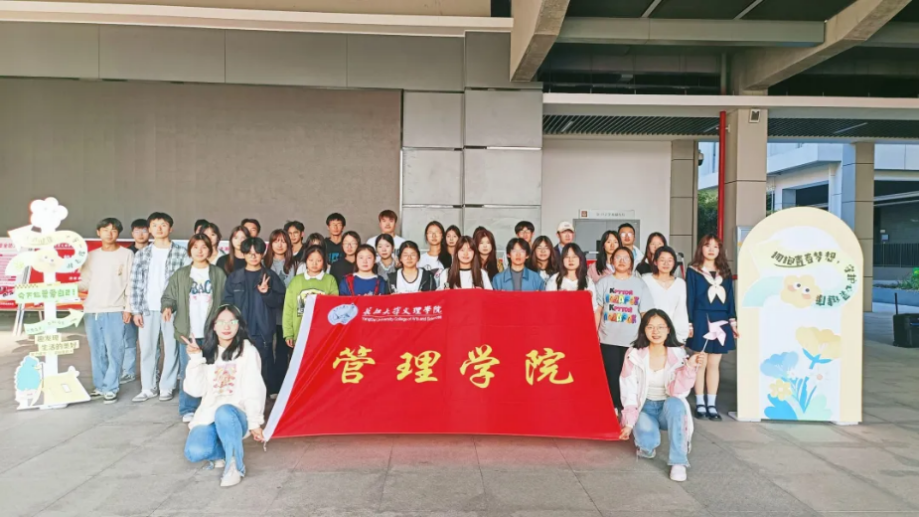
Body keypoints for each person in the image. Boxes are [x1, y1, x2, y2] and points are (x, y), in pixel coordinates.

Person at [182, 304, 266, 488]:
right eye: (221, 322)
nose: (226, 327)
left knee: (224, 411)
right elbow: (195, 391)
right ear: (214, 325)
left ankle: (235, 466)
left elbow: (254, 387)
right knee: (194, 452)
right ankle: (222, 452)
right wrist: (195, 359)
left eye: (232, 322)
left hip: (235, 415)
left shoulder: (247, 351)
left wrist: (254, 422)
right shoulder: (207, 352)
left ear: (239, 325)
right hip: (209, 416)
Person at [619, 309, 703, 483]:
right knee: (647, 447)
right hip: (644, 407)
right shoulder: (633, 355)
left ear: (668, 329)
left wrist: (689, 367)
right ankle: (646, 443)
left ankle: (678, 462)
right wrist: (628, 424)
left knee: (676, 404)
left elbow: (679, 391)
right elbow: (629, 390)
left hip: (667, 408)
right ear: (643, 330)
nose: (655, 331)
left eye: (660, 327)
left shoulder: (679, 355)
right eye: (650, 327)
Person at [161, 234, 227, 422]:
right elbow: (169, 296)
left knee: (213, 369)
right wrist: (167, 307)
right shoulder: (181, 274)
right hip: (187, 333)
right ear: (189, 250)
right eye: (195, 247)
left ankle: (210, 405)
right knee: (189, 371)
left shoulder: (218, 274)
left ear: (210, 250)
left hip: (212, 332)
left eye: (204, 247)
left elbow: (226, 299)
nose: (199, 251)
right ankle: (188, 408)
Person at [129, 212, 191, 403]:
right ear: (150, 229)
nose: (159, 228)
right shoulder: (142, 254)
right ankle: (148, 387)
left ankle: (167, 386)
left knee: (171, 348)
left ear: (170, 228)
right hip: (148, 308)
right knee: (147, 349)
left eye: (163, 224)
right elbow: (135, 283)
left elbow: (185, 283)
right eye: (155, 225)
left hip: (172, 310)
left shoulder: (181, 253)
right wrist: (136, 310)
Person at [79, 217, 134, 404]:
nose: (109, 234)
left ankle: (111, 387)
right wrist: (63, 282)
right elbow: (85, 283)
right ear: (98, 232)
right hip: (92, 310)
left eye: (113, 230)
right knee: (97, 351)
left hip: (115, 309)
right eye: (105, 230)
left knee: (114, 351)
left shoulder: (126, 254)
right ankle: (100, 386)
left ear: (118, 233)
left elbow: (130, 284)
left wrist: (128, 309)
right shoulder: (91, 256)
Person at [593, 247, 654, 411]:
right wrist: (594, 333)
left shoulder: (639, 284)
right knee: (611, 374)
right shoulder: (603, 282)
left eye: (626, 258)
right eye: (618, 257)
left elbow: (645, 313)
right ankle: (612, 408)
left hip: (632, 339)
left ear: (631, 262)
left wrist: (646, 337)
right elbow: (598, 310)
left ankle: (627, 408)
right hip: (608, 338)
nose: (621, 261)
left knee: (629, 376)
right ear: (612, 261)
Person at [686, 235, 739, 421]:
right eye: (707, 245)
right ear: (701, 248)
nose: (711, 249)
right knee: (700, 363)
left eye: (715, 246)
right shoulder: (693, 271)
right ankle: (700, 402)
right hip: (701, 318)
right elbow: (690, 298)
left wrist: (733, 322)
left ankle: (711, 403)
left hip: (721, 319)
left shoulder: (725, 271)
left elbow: (730, 299)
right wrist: (690, 323)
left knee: (714, 364)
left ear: (720, 250)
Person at [222, 238, 286, 392]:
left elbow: (280, 301)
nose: (253, 256)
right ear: (243, 254)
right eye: (249, 253)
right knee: (239, 366)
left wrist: (266, 293)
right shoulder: (234, 278)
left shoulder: (269, 276)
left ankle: (264, 398)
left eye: (257, 252)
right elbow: (226, 304)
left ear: (263, 254)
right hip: (239, 331)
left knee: (263, 369)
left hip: (263, 331)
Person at [283, 245, 339, 348]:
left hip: (323, 334)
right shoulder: (296, 281)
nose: (314, 264)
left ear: (324, 261)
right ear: (306, 261)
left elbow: (334, 307)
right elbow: (288, 309)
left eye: (319, 260)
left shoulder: (330, 280)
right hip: (299, 333)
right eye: (311, 260)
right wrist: (288, 333)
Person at [642, 246, 689, 344]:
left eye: (670, 260)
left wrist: (681, 336)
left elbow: (681, 311)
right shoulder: (645, 280)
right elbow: (641, 308)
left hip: (672, 333)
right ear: (655, 262)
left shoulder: (681, 284)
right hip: (650, 332)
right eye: (662, 260)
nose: (666, 264)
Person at [123, 218, 150, 383]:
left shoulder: (155, 251)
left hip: (149, 304)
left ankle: (152, 372)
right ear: (132, 233)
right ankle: (128, 371)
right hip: (130, 303)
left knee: (151, 343)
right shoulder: (126, 253)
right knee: (129, 340)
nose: (141, 234)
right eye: (137, 231)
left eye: (144, 231)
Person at [546, 243, 597, 310]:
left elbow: (594, 308)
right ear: (562, 260)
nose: (571, 260)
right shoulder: (554, 280)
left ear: (580, 259)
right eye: (567, 257)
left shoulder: (587, 281)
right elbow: (548, 305)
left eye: (574, 257)